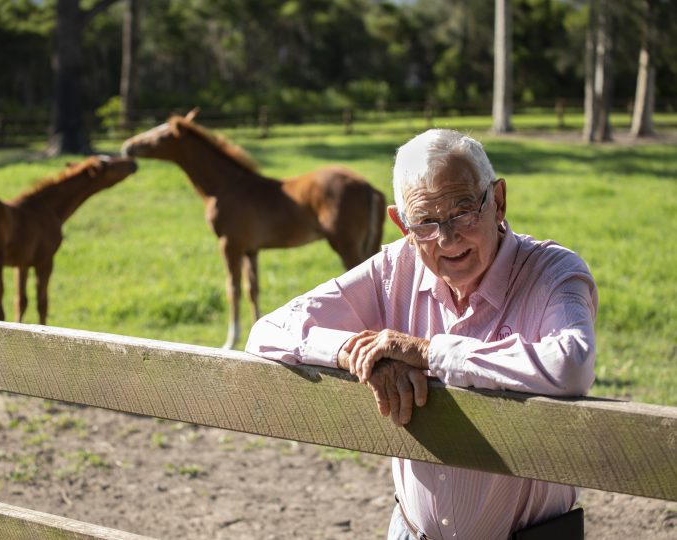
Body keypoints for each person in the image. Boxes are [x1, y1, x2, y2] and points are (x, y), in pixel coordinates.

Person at [245, 128, 597, 540]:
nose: (447, 238)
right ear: (401, 223)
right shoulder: (394, 268)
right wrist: (352, 353)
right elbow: (268, 331)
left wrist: (430, 354)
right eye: (426, 221)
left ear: (498, 201)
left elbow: (570, 364)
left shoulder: (553, 272)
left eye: (463, 210)